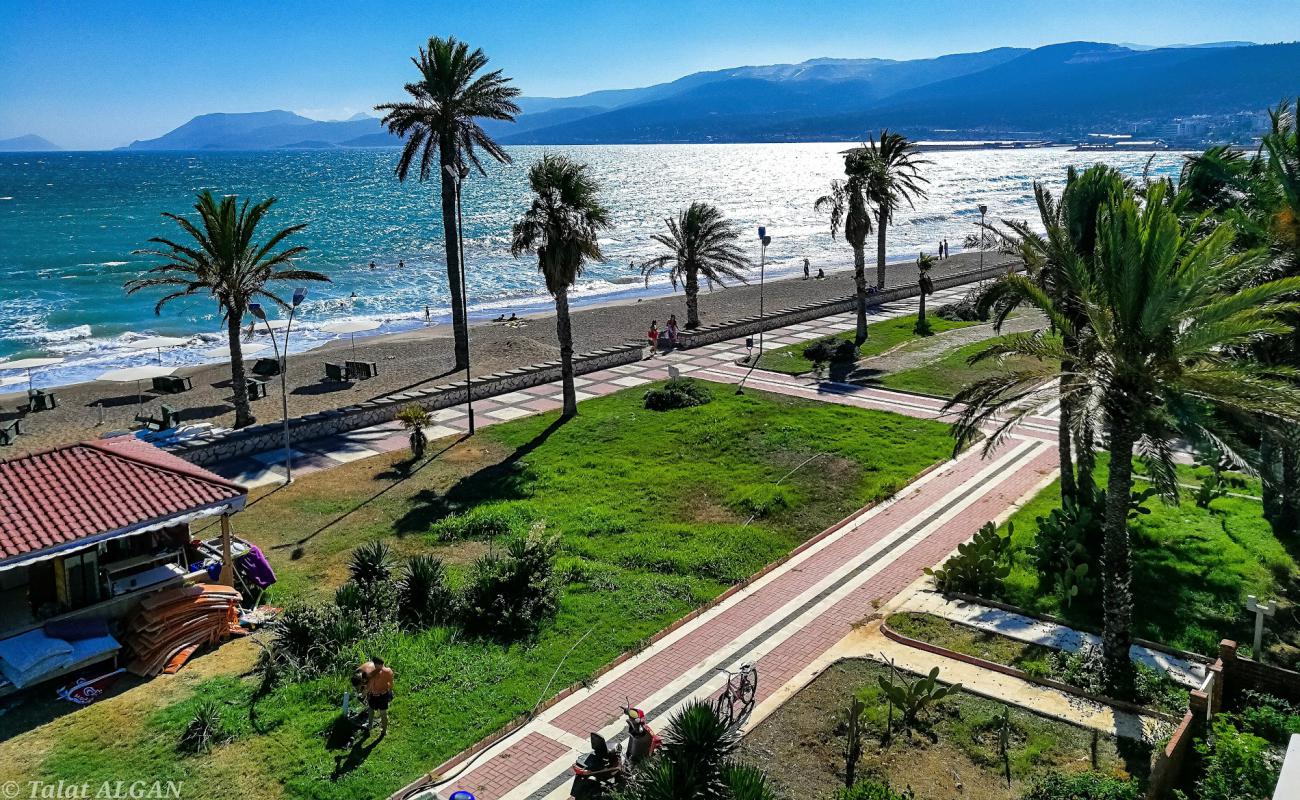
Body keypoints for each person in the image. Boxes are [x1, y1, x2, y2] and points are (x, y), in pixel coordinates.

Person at [358, 656, 394, 738]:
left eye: (374, 664)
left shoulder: (380, 673)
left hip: (379, 696)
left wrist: (363, 695)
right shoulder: (386, 671)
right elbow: (391, 683)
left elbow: (369, 687)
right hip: (378, 695)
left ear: (378, 664)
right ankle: (377, 728)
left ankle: (377, 728)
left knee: (378, 712)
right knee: (375, 711)